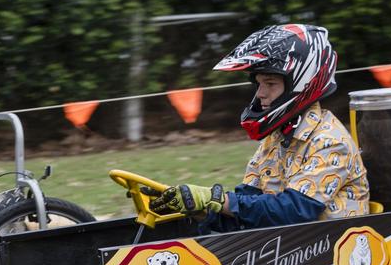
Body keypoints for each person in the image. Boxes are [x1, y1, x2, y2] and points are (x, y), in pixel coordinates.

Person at [146, 24, 369, 229]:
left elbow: (293, 212)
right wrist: (194, 208)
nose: (260, 93)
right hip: (288, 253)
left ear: (302, 83)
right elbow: (246, 213)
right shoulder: (275, 139)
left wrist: (216, 198)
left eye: (270, 84)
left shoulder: (330, 142)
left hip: (330, 256)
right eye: (259, 83)